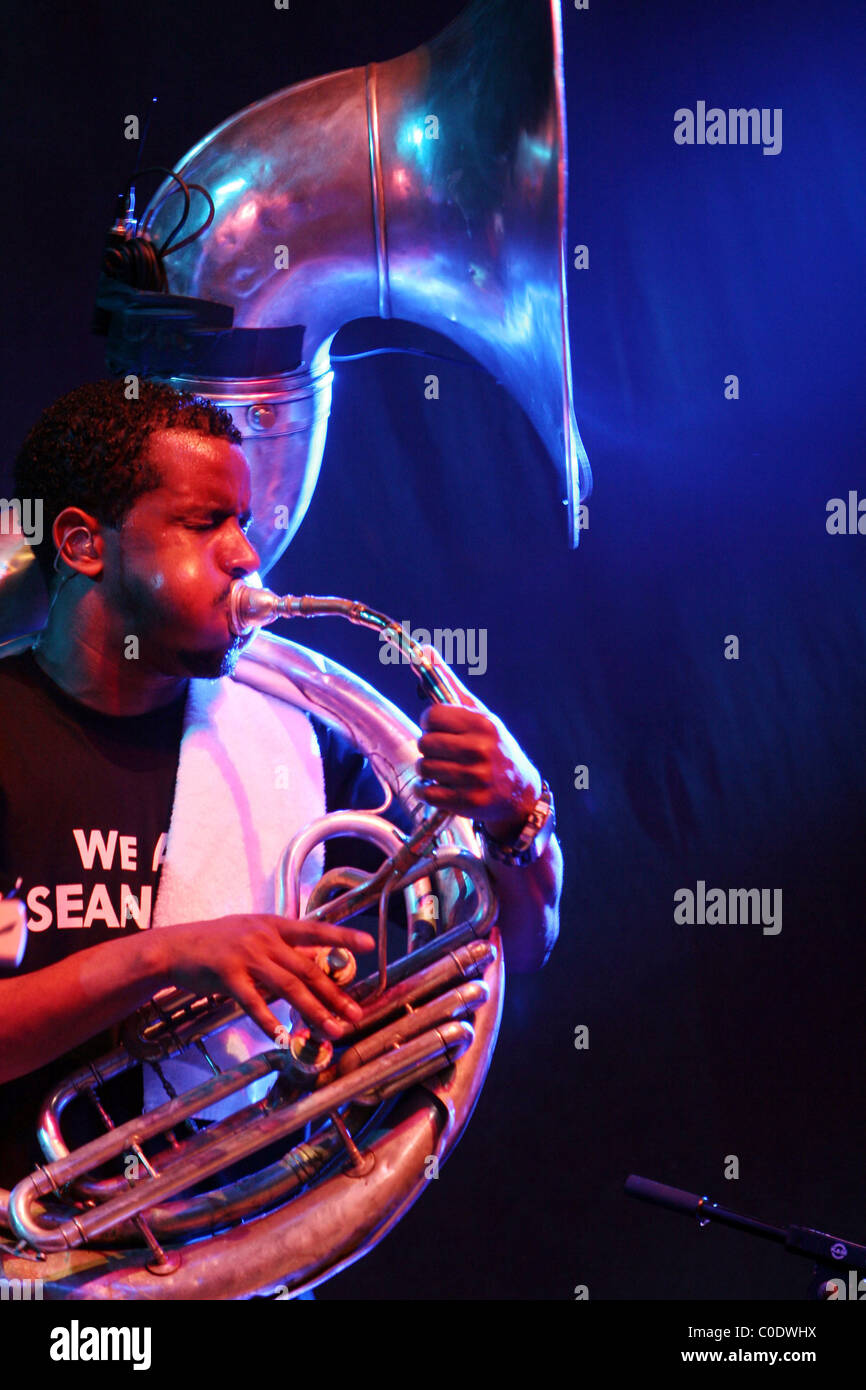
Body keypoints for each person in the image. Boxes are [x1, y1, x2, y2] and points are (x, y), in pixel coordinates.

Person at [0, 378, 562, 1197]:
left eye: (244, 524)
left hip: (235, 1249)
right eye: (204, 523)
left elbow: (508, 942)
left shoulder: (297, 741)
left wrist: (520, 816)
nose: (246, 555)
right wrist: (167, 954)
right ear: (85, 545)